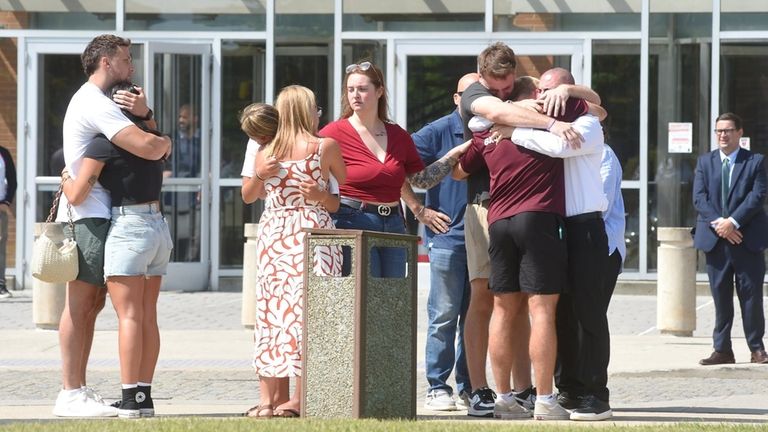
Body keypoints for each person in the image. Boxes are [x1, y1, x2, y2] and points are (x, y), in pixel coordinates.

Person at [451, 43, 596, 420]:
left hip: (498, 221)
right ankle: (546, 399)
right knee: (541, 308)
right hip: (540, 217)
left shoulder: (485, 129)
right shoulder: (549, 109)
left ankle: (503, 398)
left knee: (502, 307)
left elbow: (460, 169)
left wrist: (505, 126)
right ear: (535, 93)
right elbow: (598, 109)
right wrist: (566, 95)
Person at [52, 34, 171, 418]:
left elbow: (144, 137)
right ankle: (71, 392)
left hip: (105, 215)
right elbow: (149, 148)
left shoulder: (104, 103)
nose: (131, 66)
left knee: (94, 305)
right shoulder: (93, 102)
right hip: (89, 214)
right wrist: (162, 136)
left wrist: (148, 114)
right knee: (81, 304)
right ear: (106, 62)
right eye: (126, 58)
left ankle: (79, 390)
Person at [498, 68, 611, 421]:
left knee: (589, 316)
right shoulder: (539, 121)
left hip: (587, 228)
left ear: (568, 91)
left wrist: (514, 131)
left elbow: (562, 146)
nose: (545, 97)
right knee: (559, 314)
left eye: (553, 90)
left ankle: (596, 395)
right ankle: (570, 389)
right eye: (540, 91)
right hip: (558, 227)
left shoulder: (587, 122)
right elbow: (479, 124)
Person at [241, 85, 347, 418]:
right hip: (311, 232)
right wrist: (318, 194)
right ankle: (299, 399)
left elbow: (248, 195)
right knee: (309, 313)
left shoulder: (265, 149)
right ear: (307, 109)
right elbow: (338, 198)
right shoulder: (324, 146)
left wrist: (261, 174)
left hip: (274, 233)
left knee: (273, 313)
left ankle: (270, 401)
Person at [319, 61, 469, 278]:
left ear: (379, 91)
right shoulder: (334, 133)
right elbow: (310, 168)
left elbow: (421, 180)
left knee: (393, 299)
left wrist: (452, 155)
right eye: (350, 90)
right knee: (364, 298)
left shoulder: (398, 134)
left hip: (394, 224)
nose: (355, 95)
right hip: (353, 221)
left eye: (362, 89)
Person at [403, 73, 477, 411]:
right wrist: (419, 209)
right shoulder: (437, 131)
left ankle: (470, 386)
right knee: (444, 315)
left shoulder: (494, 126)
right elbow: (397, 168)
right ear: (455, 97)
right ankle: (437, 386)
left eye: (482, 93)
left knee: (475, 317)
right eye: (468, 93)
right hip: (448, 238)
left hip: (485, 240)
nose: (475, 99)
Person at [693, 112, 768, 366]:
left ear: (739, 133)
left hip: (747, 240)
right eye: (719, 131)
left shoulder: (755, 161)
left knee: (751, 296)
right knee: (720, 296)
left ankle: (757, 347)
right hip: (716, 241)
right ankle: (722, 349)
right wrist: (721, 225)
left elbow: (757, 196)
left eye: (727, 130)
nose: (722, 135)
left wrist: (733, 222)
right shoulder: (705, 162)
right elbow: (699, 198)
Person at [0, 145, 15, 299]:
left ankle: (0, 285)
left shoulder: (4, 153)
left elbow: (12, 179)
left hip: (0, 207)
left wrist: (7, 201)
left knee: (0, 246)